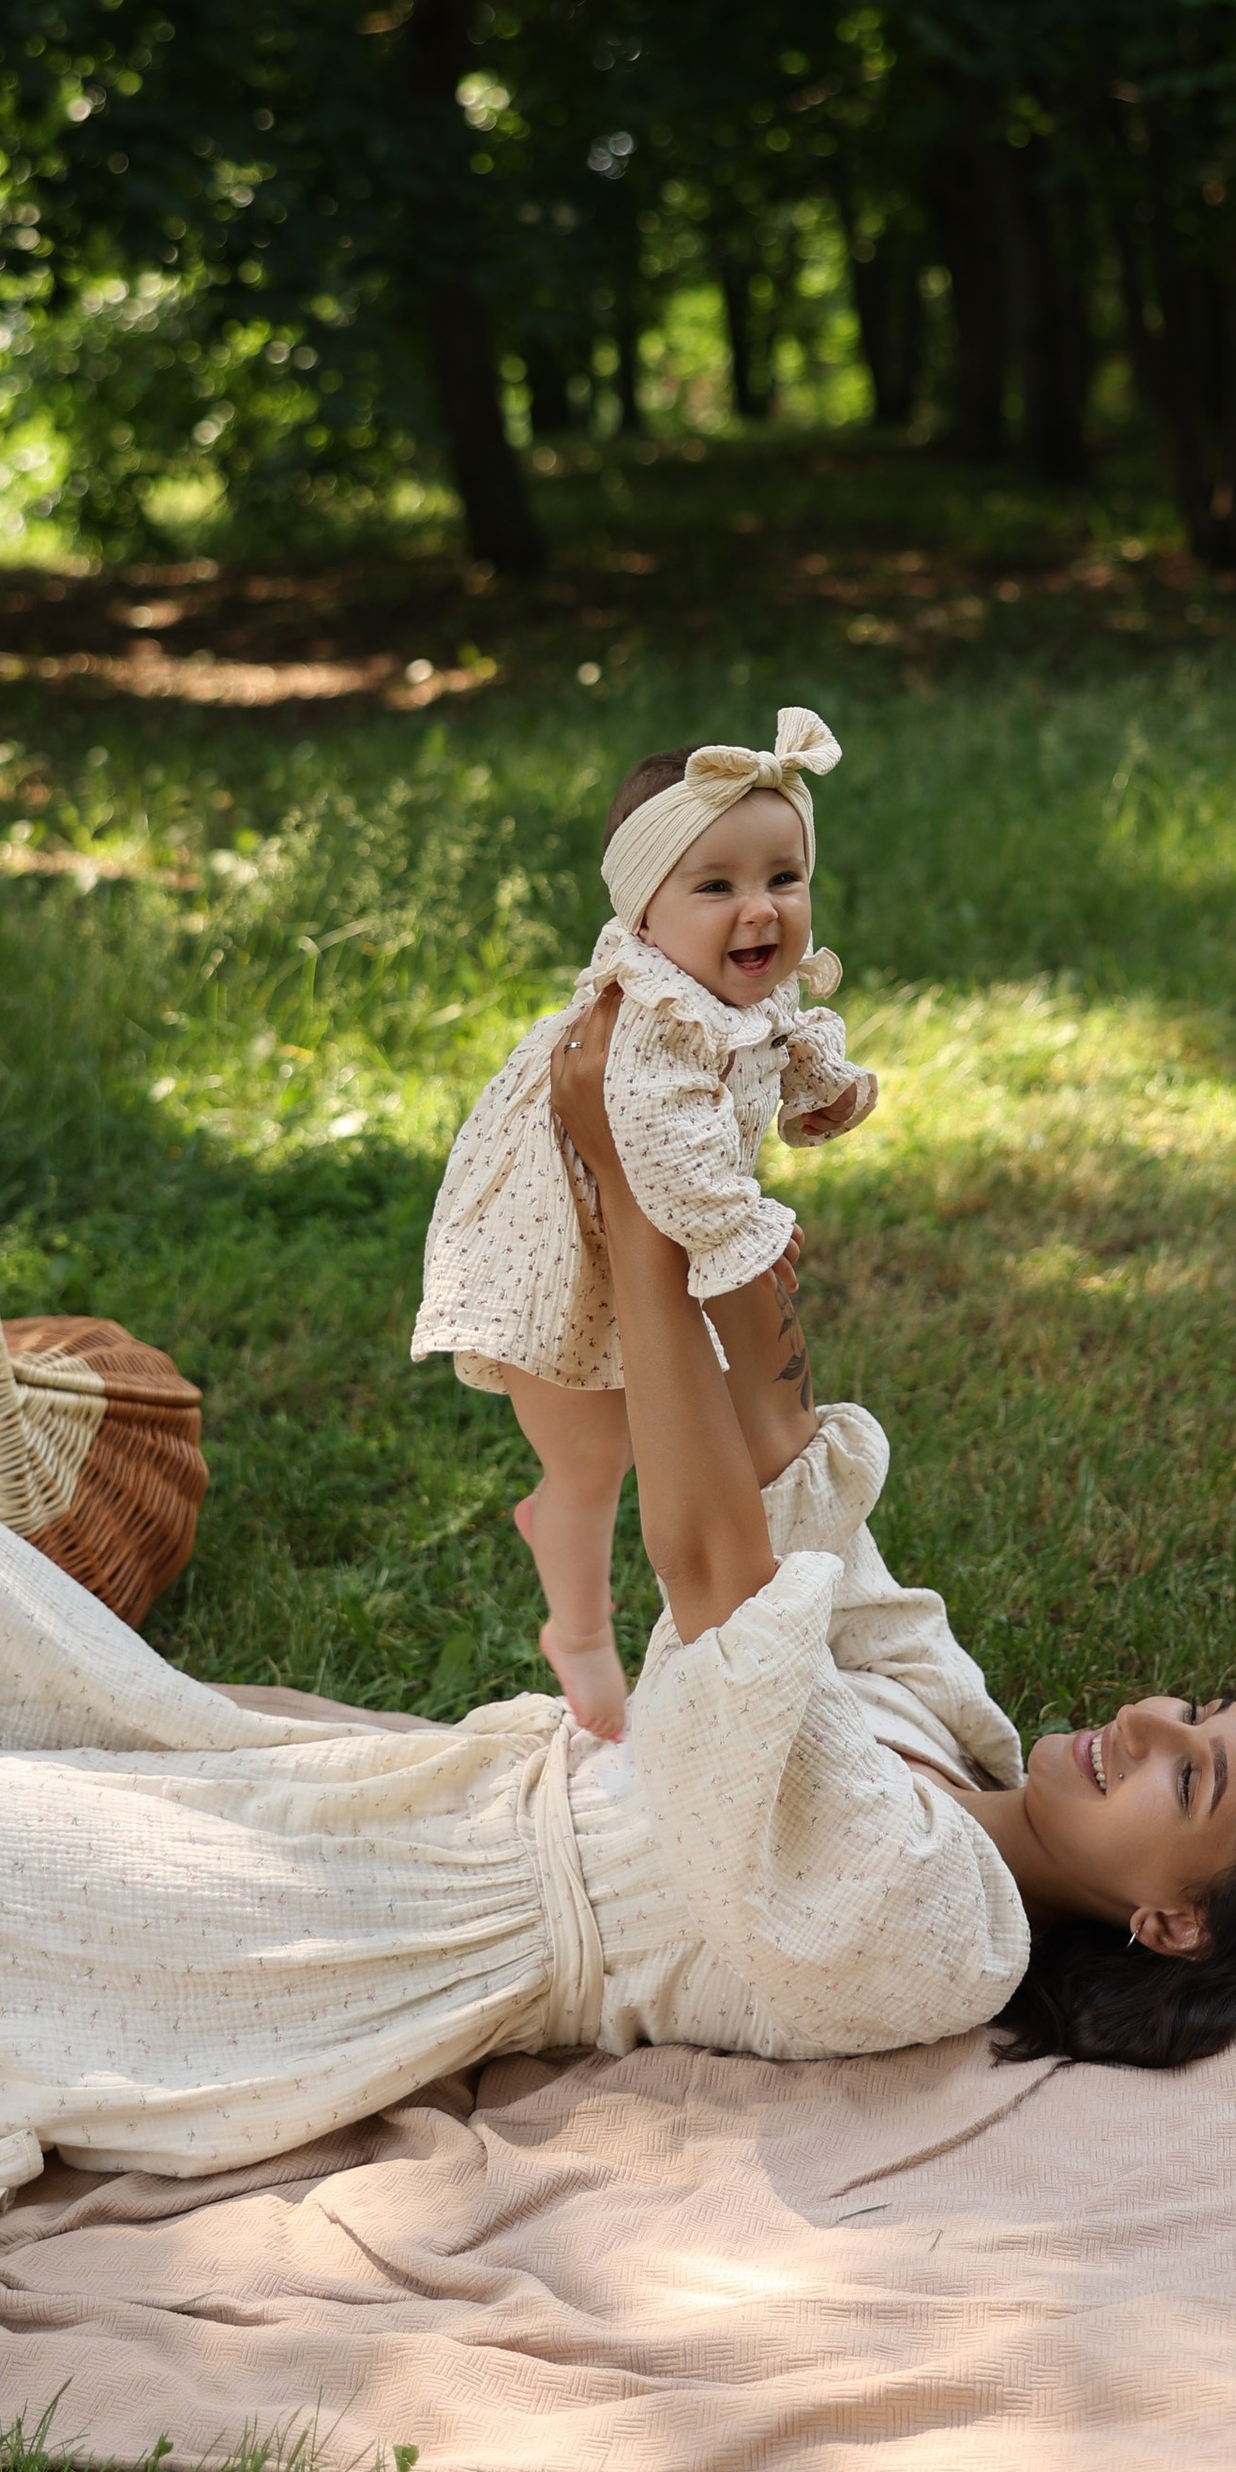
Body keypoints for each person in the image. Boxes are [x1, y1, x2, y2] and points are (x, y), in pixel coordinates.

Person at [0, 999, 1236, 2269]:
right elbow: (777, 1452)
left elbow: (715, 1571)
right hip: (318, 1815)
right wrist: (702, 1135)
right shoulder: (957, 1730)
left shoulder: (936, 1930)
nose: (1140, 1717)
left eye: (1185, 1770)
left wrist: (626, 1206)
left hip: (304, 1947)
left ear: (1172, 1924)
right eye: (1186, 1705)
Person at [412, 706, 877, 1737]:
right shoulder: (649, 1023)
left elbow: (784, 1037)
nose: (757, 911)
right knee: (588, 1453)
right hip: (552, 1250)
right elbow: (661, 1149)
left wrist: (827, 1090)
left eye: (781, 878)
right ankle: (577, 1634)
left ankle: (708, 1602)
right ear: (645, 912)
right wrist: (736, 1228)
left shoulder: (727, 987)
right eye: (716, 886)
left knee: (666, 1422)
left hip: (644, 1237)